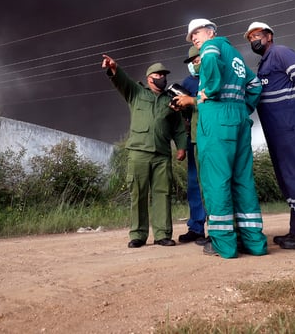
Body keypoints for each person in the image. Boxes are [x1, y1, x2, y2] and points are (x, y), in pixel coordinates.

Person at [185, 18, 267, 258]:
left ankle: (224, 244)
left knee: (216, 180)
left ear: (210, 32)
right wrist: (244, 107)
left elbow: (209, 59)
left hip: (216, 119)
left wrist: (208, 91)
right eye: (192, 38)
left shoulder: (212, 46)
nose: (195, 39)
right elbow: (255, 84)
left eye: (196, 34)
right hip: (239, 119)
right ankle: (254, 242)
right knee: (243, 181)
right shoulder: (236, 54)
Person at [244, 21, 295, 250]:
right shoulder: (264, 64)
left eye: (257, 35)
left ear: (269, 36)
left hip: (290, 124)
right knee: (287, 177)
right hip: (278, 128)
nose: (253, 41)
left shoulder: (281, 52)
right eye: (250, 39)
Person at [101, 54, 187, 248]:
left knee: (162, 193)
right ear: (150, 78)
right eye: (159, 75)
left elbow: (178, 127)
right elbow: (123, 82)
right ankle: (138, 235)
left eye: (164, 75)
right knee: (138, 193)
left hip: (162, 154)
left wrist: (181, 147)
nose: (163, 78)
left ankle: (162, 234)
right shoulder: (137, 93)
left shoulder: (171, 100)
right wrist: (115, 67)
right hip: (139, 152)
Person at [173, 45, 207, 245]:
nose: (194, 65)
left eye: (197, 60)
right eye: (191, 62)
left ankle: (216, 229)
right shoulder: (187, 82)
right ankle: (196, 227)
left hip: (210, 138)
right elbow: (184, 117)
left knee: (210, 183)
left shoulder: (212, 78)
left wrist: (192, 101)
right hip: (193, 139)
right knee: (194, 184)